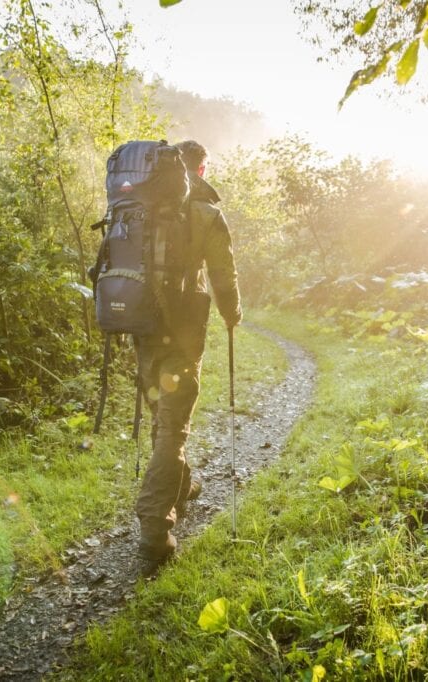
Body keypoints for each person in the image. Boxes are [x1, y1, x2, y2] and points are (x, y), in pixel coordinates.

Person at [135, 139, 242, 564]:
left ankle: (181, 485)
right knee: (173, 426)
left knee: (164, 411)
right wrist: (233, 316)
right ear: (199, 171)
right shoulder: (205, 214)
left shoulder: (138, 209)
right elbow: (223, 276)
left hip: (139, 327)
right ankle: (155, 526)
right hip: (180, 330)